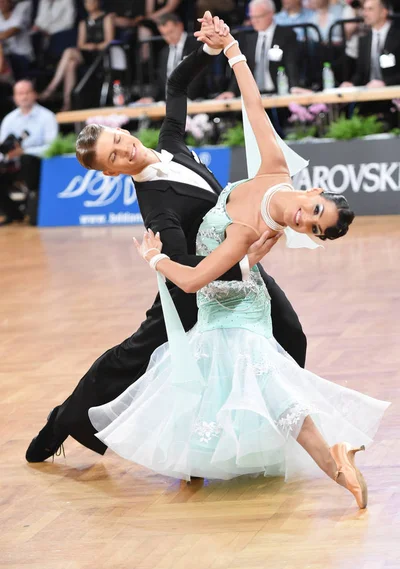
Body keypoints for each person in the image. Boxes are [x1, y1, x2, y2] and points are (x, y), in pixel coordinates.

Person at [88, 18, 389, 509]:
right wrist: (231, 50)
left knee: (259, 394)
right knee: (218, 386)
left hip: (229, 308)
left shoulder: (247, 231)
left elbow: (195, 279)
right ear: (312, 192)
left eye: (311, 228)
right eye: (314, 210)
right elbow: (254, 108)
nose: (304, 218)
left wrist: (156, 259)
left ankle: (335, 467)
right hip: (227, 306)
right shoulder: (274, 167)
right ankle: (217, 466)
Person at [25, 14, 307, 464]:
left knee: (291, 335)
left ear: (124, 130)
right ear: (110, 172)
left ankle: (278, 428)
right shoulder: (155, 205)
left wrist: (212, 49)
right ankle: (64, 421)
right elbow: (184, 265)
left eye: (119, 139)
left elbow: (176, 88)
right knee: (132, 360)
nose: (125, 150)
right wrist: (247, 258)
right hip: (195, 286)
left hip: (233, 262)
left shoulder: (172, 144)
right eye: (114, 156)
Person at [0, 79, 58, 226]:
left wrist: (24, 151)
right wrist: (6, 156)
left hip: (37, 165)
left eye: (27, 92)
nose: (24, 97)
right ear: (14, 97)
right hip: (12, 163)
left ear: (34, 94)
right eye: (20, 93)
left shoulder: (47, 117)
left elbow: (52, 147)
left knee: (27, 160)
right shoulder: (9, 119)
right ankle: (13, 213)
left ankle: (34, 201)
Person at [39, 0, 115, 111]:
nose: (89, 4)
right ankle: (67, 103)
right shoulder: (83, 22)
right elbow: (81, 44)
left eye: (92, 1)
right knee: (71, 64)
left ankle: (51, 89)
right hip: (87, 55)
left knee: (69, 52)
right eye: (87, 2)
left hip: (101, 55)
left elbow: (109, 41)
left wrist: (96, 46)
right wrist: (89, 46)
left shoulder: (107, 18)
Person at [216, 0, 300, 100]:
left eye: (258, 17)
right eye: (252, 17)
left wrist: (295, 87)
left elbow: (291, 64)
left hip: (279, 92)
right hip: (252, 95)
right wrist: (231, 91)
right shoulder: (248, 37)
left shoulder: (286, 35)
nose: (254, 21)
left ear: (271, 14)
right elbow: (241, 66)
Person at [137, 12, 207, 104]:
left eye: (171, 32)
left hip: (193, 100)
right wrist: (151, 97)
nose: (168, 37)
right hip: (167, 103)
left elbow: (200, 77)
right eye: (164, 34)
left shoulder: (196, 46)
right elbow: (161, 81)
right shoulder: (164, 52)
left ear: (180, 26)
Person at [340, 0, 400, 89]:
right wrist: (351, 83)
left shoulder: (397, 37)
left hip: (394, 95)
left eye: (370, 9)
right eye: (364, 9)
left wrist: (385, 83)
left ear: (383, 12)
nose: (365, 13)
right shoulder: (364, 40)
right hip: (369, 95)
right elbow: (360, 74)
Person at [0, 0, 33, 80]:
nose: (1, 4)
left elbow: (8, 34)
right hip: (5, 54)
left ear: (10, 2)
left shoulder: (20, 14)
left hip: (21, 55)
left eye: (3, 2)